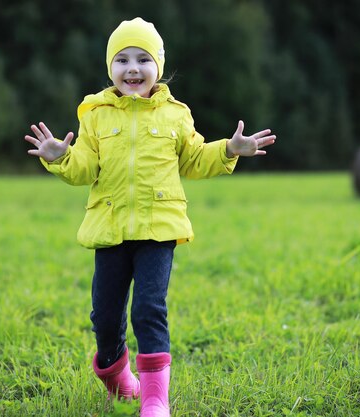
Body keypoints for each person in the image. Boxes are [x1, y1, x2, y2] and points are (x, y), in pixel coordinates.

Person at [24, 17, 275, 417]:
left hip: (159, 230)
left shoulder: (176, 114)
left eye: (143, 59)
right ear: (111, 69)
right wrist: (62, 158)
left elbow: (194, 158)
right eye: (122, 60)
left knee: (148, 309)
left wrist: (228, 149)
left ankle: (156, 399)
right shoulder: (96, 115)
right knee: (104, 318)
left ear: (158, 66)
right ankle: (115, 374)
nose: (133, 68)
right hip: (110, 230)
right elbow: (85, 168)